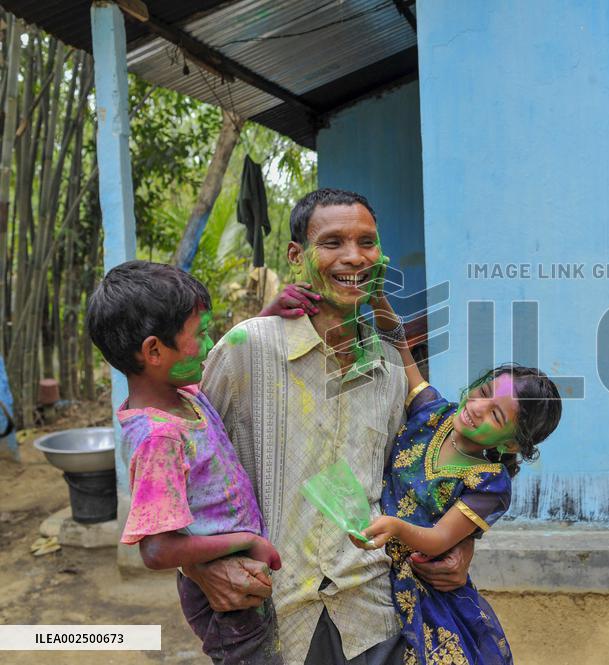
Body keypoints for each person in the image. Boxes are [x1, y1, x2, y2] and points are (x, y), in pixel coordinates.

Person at [187, 188, 476, 665]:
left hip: (371, 610)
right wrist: (197, 567)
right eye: (333, 242)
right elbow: (177, 466)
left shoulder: (388, 366)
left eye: (367, 242)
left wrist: (459, 543)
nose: (353, 257)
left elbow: (424, 474)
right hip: (269, 610)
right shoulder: (245, 349)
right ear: (297, 256)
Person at [85, 261, 282, 665]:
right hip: (225, 603)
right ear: (154, 350)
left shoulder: (183, 393)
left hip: (242, 581)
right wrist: (247, 541)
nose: (210, 346)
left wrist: (270, 316)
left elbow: (220, 359)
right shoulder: (161, 438)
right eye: (201, 334)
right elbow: (156, 550)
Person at [353, 291, 562, 665]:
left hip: (427, 591)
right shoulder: (432, 412)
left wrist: (396, 528)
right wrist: (377, 299)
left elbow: (436, 541)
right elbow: (400, 347)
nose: (477, 409)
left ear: (512, 444)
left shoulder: (490, 483)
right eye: (482, 393)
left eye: (496, 416)